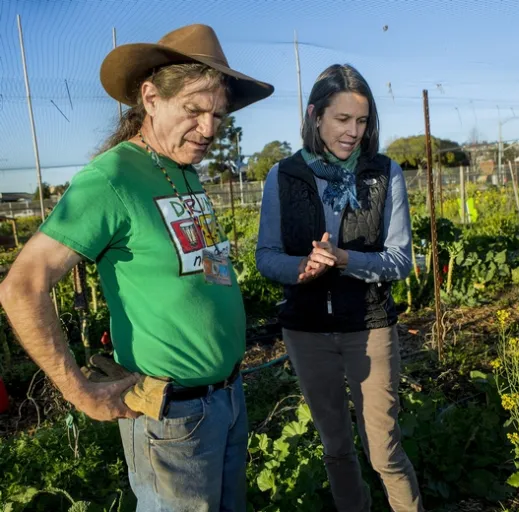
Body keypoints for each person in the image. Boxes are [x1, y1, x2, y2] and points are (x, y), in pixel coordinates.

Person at [0, 24, 273, 511]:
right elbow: (22, 286)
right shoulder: (113, 177)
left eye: (218, 115)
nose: (209, 129)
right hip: (172, 418)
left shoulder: (183, 169)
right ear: (150, 97)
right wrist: (81, 393)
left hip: (227, 400)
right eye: (194, 110)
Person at [256, 64, 423, 512]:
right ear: (316, 116)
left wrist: (348, 261)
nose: (353, 132)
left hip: (368, 325)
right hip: (306, 331)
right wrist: (302, 268)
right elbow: (266, 255)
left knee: (385, 452)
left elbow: (400, 259)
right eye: (342, 120)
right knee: (336, 448)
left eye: (362, 121)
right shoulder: (284, 176)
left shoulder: (384, 174)